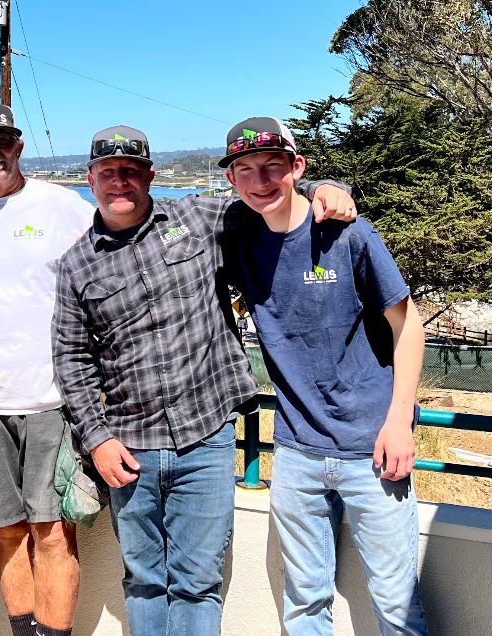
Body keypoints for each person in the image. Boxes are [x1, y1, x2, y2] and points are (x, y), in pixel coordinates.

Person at [51, 125, 356, 636]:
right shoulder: (76, 264)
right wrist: (96, 438)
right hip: (129, 447)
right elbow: (70, 359)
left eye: (130, 171)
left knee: (198, 580)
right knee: (145, 581)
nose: (119, 182)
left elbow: (271, 200)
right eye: (108, 173)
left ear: (150, 175)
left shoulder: (198, 217)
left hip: (206, 439)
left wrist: (323, 188)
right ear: (90, 180)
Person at [220, 117, 428, 635]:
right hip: (295, 452)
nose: (260, 180)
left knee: (396, 604)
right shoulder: (237, 237)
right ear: (230, 180)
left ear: (297, 167)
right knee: (305, 603)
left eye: (273, 166)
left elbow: (409, 326)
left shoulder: (346, 232)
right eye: (244, 170)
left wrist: (400, 421)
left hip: (372, 449)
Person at [0, 102, 94, 636]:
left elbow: (120, 243)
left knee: (54, 533)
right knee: (7, 533)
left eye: (3, 139)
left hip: (53, 400)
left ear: (19, 145)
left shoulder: (62, 206)